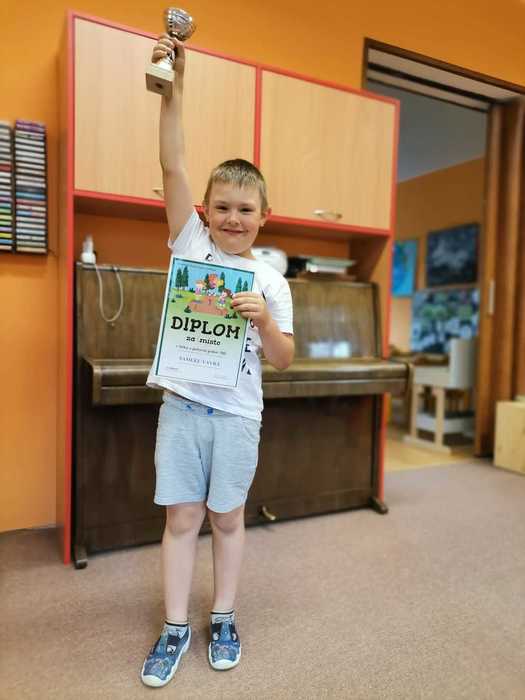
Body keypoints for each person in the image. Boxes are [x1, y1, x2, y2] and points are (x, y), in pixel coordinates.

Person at [141, 33, 295, 688]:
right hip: (182, 408)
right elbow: (172, 162)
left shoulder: (271, 281)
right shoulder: (189, 244)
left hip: (236, 417)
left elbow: (283, 360)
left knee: (227, 518)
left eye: (245, 210)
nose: (233, 219)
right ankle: (175, 626)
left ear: (264, 216)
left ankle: (223, 616)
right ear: (205, 212)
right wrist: (173, 84)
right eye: (222, 208)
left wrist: (265, 323)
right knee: (181, 518)